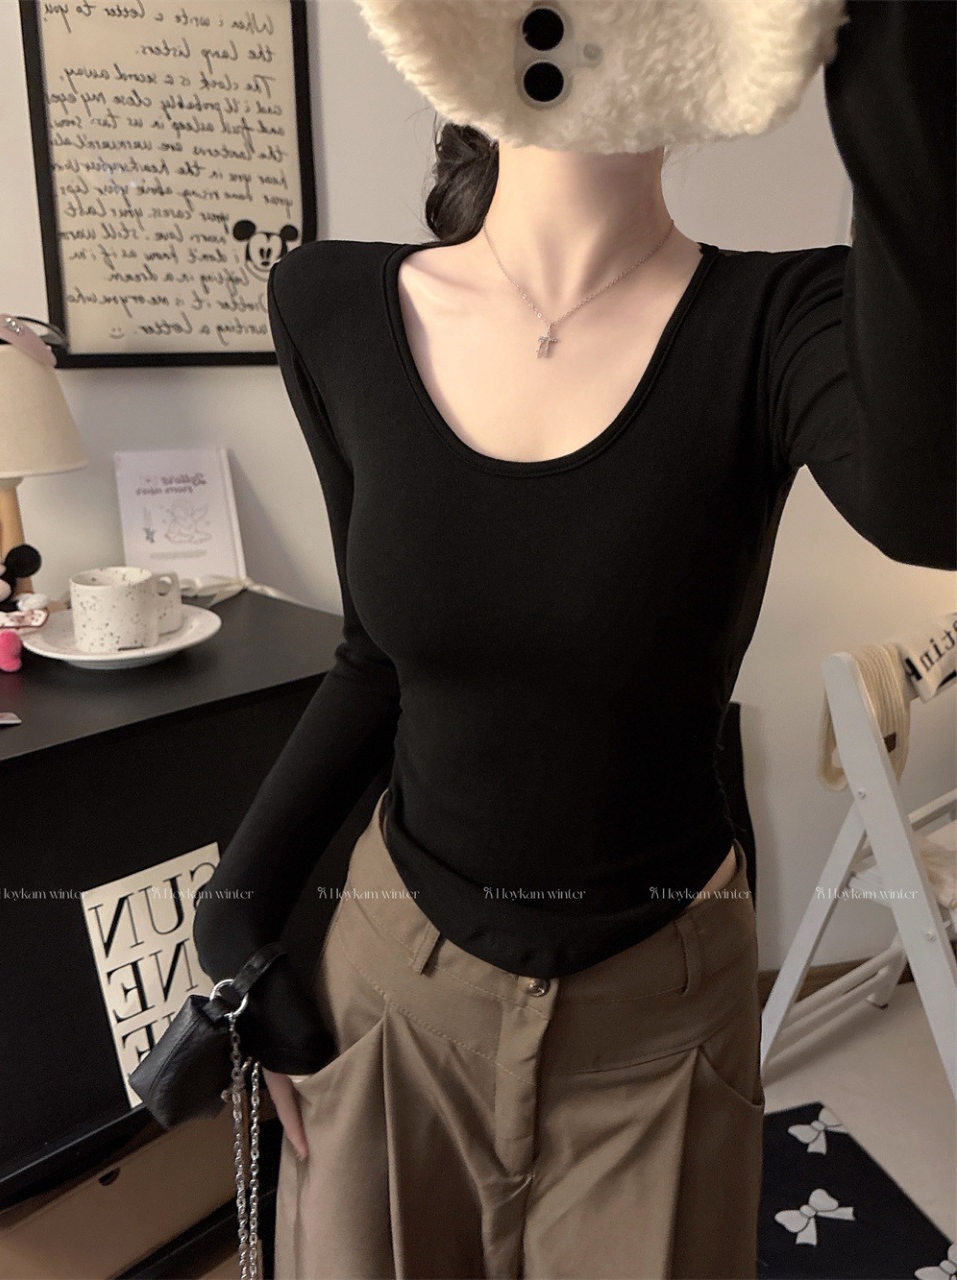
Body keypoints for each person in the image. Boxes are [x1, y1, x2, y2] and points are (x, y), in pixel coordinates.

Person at [193, 3, 955, 1277]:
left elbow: (929, 508)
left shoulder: (779, 320)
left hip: (660, 1009)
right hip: (393, 986)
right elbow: (375, 654)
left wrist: (888, 38)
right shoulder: (326, 302)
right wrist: (235, 908)